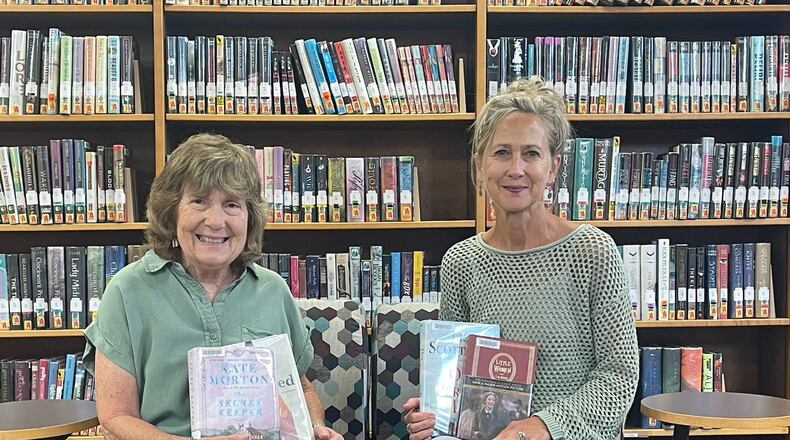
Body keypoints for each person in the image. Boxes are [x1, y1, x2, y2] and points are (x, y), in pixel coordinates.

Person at [403, 77, 639, 440]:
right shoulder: (460, 262)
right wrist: (440, 415)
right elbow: (459, 377)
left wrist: (542, 428)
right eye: (501, 153)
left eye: (531, 153)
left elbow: (619, 376)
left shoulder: (593, 252)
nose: (516, 169)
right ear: (480, 166)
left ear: (553, 167)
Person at [83, 133, 343, 440]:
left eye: (232, 205)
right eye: (199, 201)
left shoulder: (273, 290)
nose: (216, 221)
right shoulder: (127, 291)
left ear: (249, 218)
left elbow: (301, 387)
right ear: (171, 211)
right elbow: (116, 416)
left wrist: (314, 428)